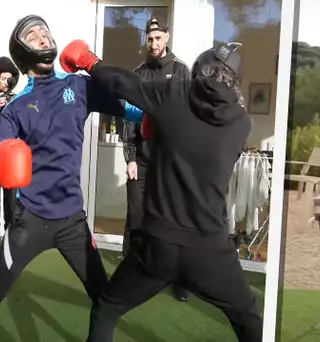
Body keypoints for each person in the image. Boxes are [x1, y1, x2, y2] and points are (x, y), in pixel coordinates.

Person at [59, 40, 262, 342]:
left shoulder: (175, 92)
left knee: (107, 308)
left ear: (198, 70)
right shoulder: (240, 123)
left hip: (158, 246)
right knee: (248, 319)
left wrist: (90, 61)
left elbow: (123, 83)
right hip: (210, 250)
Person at [0, 15, 142, 304]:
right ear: (22, 51)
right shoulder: (13, 110)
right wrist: (9, 213)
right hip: (28, 218)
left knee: (105, 299)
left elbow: (135, 108)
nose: (43, 36)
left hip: (72, 220)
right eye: (33, 35)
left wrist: (162, 115)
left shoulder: (78, 86)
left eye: (44, 31)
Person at [122, 17, 191, 302]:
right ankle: (130, 270)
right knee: (136, 215)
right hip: (143, 159)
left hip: (170, 161)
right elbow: (127, 118)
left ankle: (179, 277)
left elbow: (190, 116)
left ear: (167, 37)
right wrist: (130, 157)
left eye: (158, 38)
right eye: (150, 39)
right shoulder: (137, 74)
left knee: (174, 218)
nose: (154, 44)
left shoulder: (181, 71)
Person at [0, 56, 20, 231]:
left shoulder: (14, 99)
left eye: (9, 79)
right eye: (3, 78)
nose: (7, 82)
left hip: (9, 159)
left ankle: (9, 239)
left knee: (11, 206)